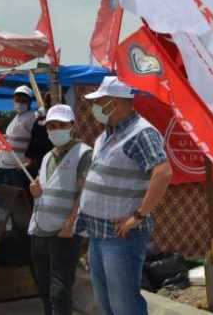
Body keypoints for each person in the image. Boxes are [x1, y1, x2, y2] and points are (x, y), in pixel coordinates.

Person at [77, 76, 172, 315]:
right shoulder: (106, 135)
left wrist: (139, 216)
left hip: (121, 237)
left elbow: (162, 172)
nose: (94, 107)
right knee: (105, 301)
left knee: (124, 305)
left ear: (116, 102)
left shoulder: (141, 133)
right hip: (99, 234)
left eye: (100, 101)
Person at [28, 104, 92, 315]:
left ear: (72, 125)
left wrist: (71, 223)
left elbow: (84, 193)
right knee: (43, 287)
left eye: (61, 125)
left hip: (64, 232)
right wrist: (35, 190)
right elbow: (45, 188)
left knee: (59, 289)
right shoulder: (48, 156)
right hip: (40, 228)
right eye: (51, 126)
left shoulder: (83, 154)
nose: (55, 130)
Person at [0, 84, 38, 189]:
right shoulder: (17, 117)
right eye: (17, 99)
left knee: (20, 201)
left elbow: (36, 141)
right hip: (7, 167)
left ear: (30, 102)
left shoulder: (32, 117)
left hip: (20, 168)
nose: (19, 102)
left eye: (23, 100)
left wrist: (30, 162)